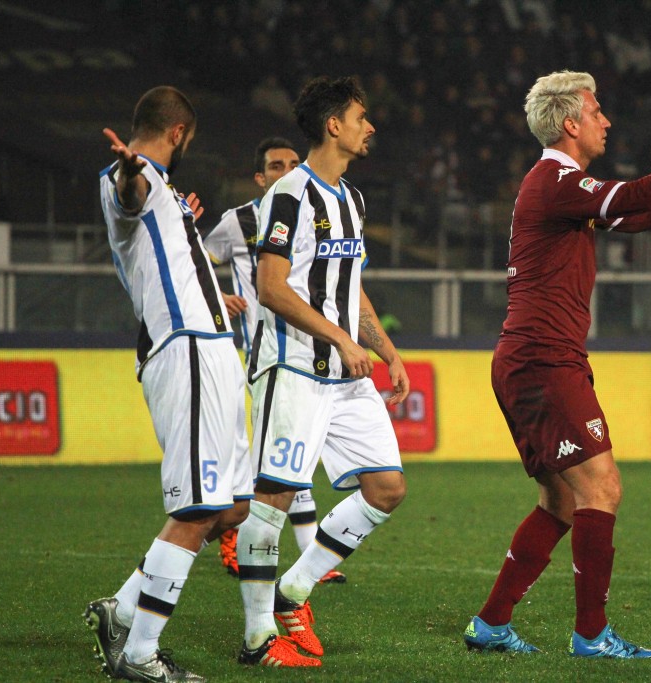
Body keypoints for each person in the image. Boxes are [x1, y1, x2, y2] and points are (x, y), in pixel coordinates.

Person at [463, 70, 651, 658]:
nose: (607, 120)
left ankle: (491, 624)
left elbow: (638, 216)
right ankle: (591, 635)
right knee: (602, 485)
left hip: (536, 358)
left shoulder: (562, 186)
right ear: (571, 123)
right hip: (543, 360)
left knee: (561, 499)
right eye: (597, 111)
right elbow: (631, 197)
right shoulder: (554, 179)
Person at [236, 75, 409, 668]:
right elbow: (270, 288)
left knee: (386, 489)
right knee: (274, 500)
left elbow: (352, 289)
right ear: (334, 125)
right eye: (362, 117)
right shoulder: (287, 195)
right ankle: (258, 639)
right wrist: (339, 338)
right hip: (294, 370)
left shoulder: (352, 200)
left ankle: (294, 590)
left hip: (348, 375)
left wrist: (385, 349)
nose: (370, 127)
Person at [85, 86, 251, 682]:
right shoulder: (129, 177)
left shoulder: (169, 194)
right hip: (187, 348)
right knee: (197, 506)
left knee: (230, 507)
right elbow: (131, 197)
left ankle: (123, 608)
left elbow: (168, 251)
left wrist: (216, 294)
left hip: (210, 342)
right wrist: (132, 174)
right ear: (178, 132)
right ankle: (138, 655)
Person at [202, 138, 345, 586]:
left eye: (292, 163)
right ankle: (228, 531)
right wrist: (218, 295)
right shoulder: (237, 221)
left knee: (288, 457)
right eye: (274, 166)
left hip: (310, 351)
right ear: (260, 178)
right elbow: (199, 262)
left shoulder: (315, 213)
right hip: (262, 351)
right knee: (276, 460)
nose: (285, 170)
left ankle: (286, 548)